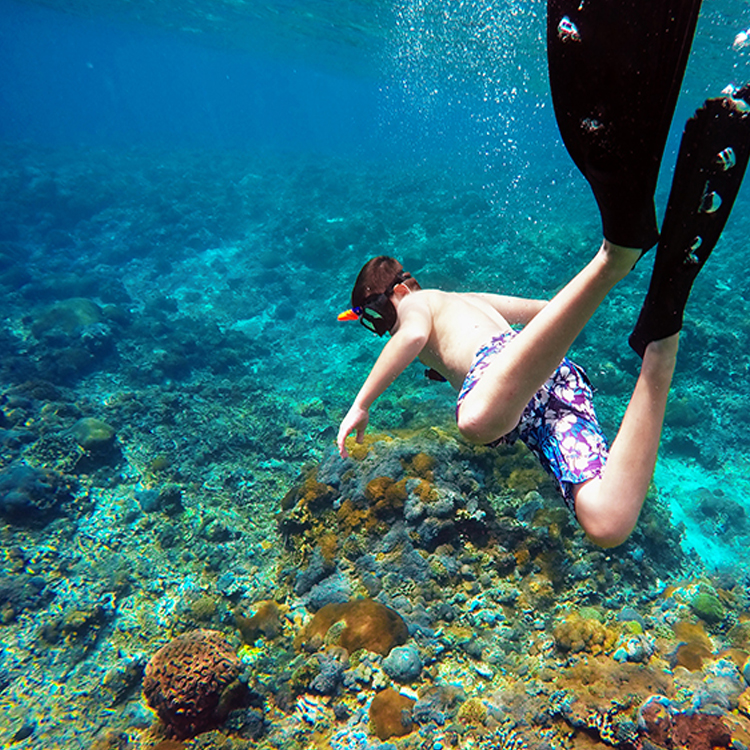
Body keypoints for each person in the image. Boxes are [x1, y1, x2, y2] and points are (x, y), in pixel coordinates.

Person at [335, 0, 750, 548]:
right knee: (607, 523)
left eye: (374, 316)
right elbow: (545, 314)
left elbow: (410, 337)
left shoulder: (418, 304)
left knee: (475, 422)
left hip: (513, 388)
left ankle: (616, 255)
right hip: (541, 397)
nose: (382, 328)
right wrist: (557, 334)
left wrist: (362, 403)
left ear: (393, 293)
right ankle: (661, 343)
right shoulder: (463, 298)